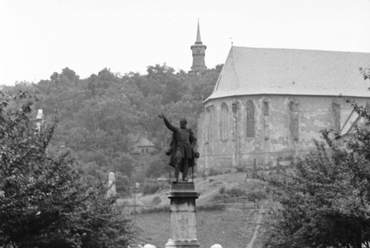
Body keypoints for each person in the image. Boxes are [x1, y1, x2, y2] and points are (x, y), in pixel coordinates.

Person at [158, 113, 197, 182]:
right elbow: (169, 126)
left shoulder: (188, 132)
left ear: (185, 123)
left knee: (186, 162)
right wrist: (164, 119)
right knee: (178, 161)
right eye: (180, 123)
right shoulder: (177, 130)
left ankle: (184, 177)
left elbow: (194, 139)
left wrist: (191, 146)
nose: (181, 124)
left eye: (183, 123)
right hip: (179, 147)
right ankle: (176, 177)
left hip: (187, 148)